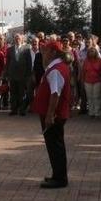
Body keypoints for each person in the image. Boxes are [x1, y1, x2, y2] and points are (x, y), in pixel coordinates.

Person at [33, 40, 71, 189]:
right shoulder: (57, 67)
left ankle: (60, 178)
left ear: (53, 52)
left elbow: (55, 94)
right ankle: (57, 175)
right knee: (55, 145)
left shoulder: (56, 69)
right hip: (55, 114)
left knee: (55, 146)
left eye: (46, 50)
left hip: (54, 115)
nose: (44, 54)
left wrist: (49, 115)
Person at [5, 34, 33, 116]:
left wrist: (28, 74)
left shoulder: (26, 49)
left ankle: (22, 109)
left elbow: (29, 62)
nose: (17, 39)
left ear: (22, 39)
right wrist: (7, 73)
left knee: (22, 93)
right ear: (14, 39)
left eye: (19, 38)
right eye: (16, 38)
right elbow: (8, 62)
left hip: (23, 74)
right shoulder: (10, 49)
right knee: (13, 93)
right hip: (12, 74)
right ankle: (14, 109)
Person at [81, 47, 101, 118]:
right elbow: (83, 71)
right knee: (89, 97)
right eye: (90, 51)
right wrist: (82, 80)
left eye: (93, 51)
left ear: (96, 52)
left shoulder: (100, 61)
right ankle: (91, 112)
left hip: (97, 81)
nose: (91, 52)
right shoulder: (86, 61)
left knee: (97, 97)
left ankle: (97, 112)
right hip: (87, 81)